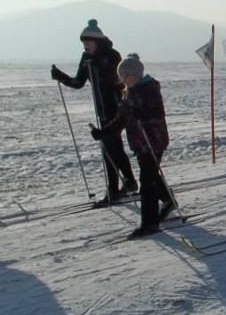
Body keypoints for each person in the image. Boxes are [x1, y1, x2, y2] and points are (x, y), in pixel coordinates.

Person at [51, 19, 138, 206]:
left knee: (109, 148)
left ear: (96, 42)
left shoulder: (112, 56)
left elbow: (117, 80)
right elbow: (78, 82)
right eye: (83, 44)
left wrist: (97, 64)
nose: (85, 46)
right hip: (101, 110)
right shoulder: (86, 59)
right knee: (114, 147)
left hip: (115, 109)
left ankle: (114, 190)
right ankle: (129, 183)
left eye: (88, 43)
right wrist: (61, 76)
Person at [90, 55, 172, 238]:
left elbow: (157, 113)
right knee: (149, 175)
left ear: (135, 75)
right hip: (139, 142)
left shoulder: (149, 89)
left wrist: (141, 113)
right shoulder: (128, 92)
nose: (123, 79)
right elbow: (121, 120)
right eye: (121, 76)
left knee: (147, 181)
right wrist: (103, 133)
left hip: (154, 141)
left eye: (126, 76)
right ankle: (167, 199)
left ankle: (150, 223)